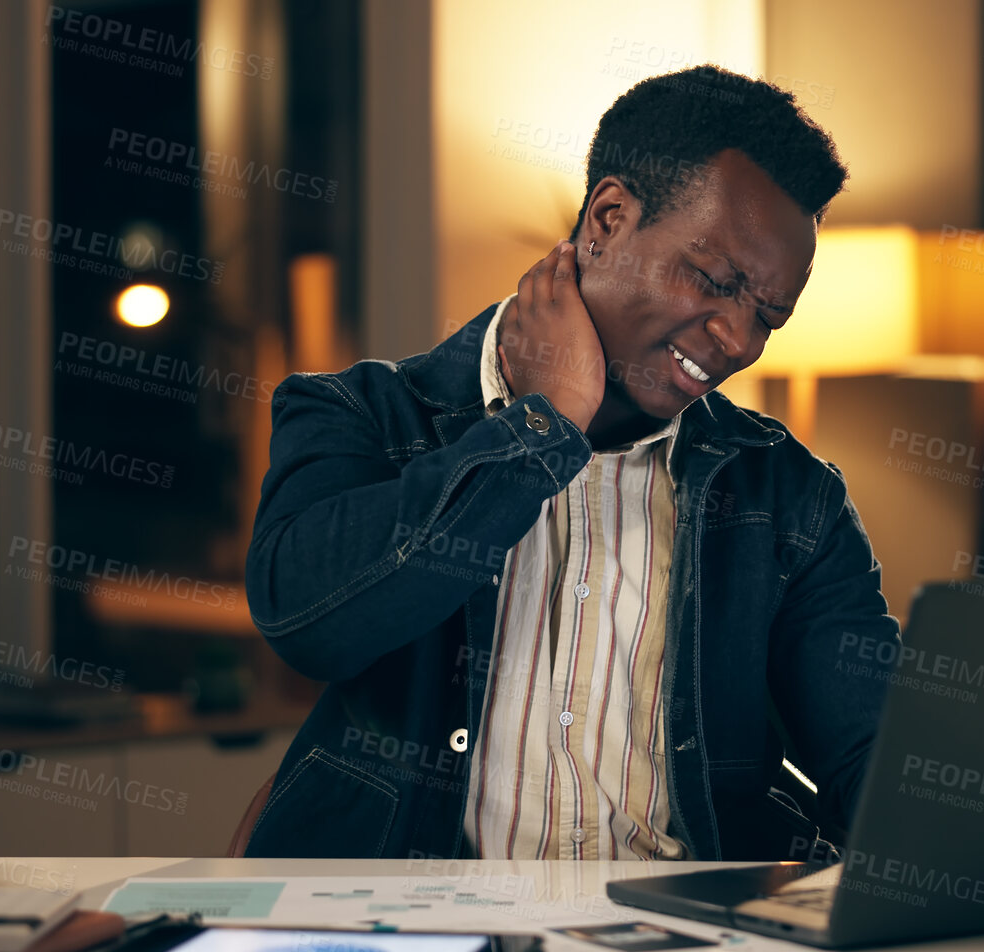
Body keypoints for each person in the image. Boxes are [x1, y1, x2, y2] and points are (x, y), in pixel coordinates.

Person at [242, 64, 901, 862]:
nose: (737, 340)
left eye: (767, 315)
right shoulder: (360, 414)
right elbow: (309, 624)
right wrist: (540, 428)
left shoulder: (792, 496)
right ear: (608, 219)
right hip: (415, 939)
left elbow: (876, 759)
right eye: (714, 281)